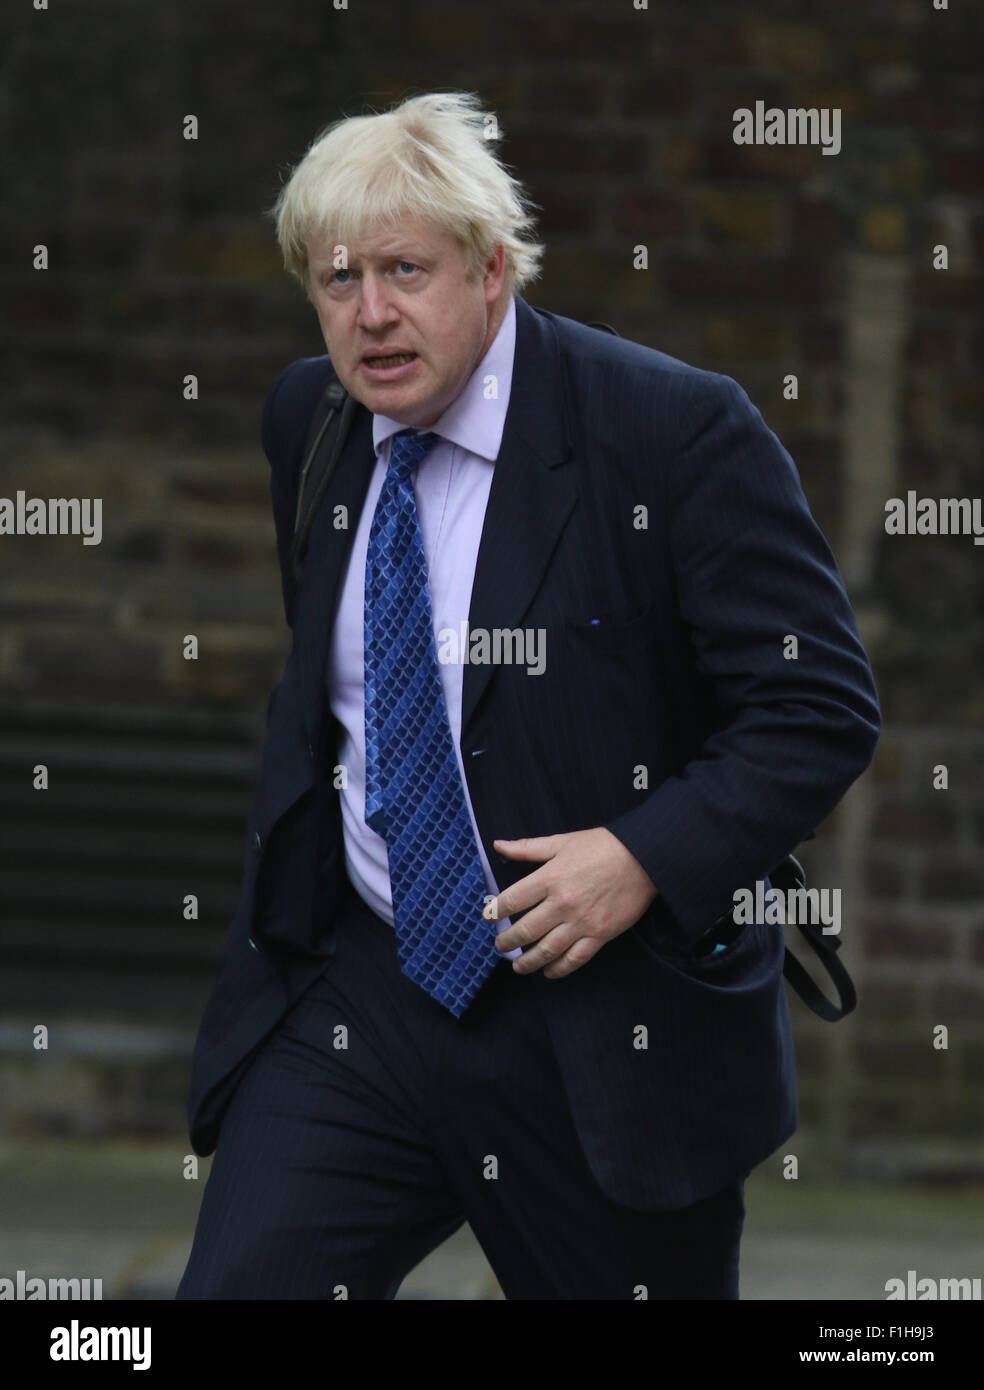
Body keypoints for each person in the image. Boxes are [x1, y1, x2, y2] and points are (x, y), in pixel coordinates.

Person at [176, 90, 880, 1300]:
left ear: (492, 269)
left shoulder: (670, 432)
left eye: (407, 269)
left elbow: (818, 708)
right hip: (366, 994)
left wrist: (642, 854)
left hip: (605, 1031)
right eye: (338, 279)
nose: (373, 313)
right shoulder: (314, 421)